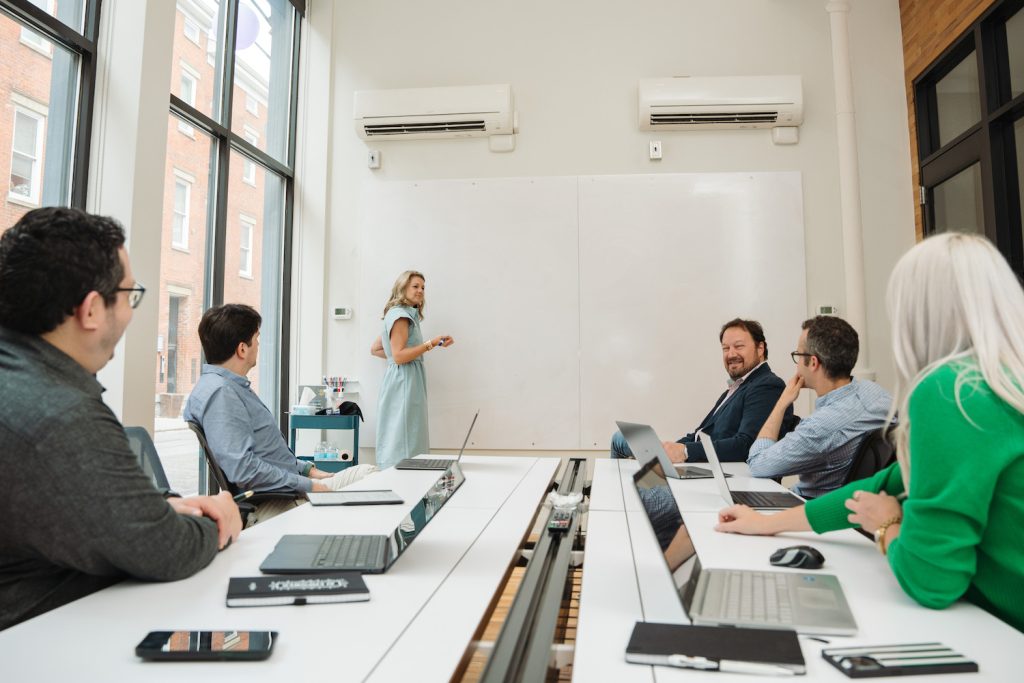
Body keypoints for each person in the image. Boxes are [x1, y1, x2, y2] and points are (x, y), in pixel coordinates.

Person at [717, 233, 1024, 633]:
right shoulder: (1001, 382)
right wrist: (768, 523)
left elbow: (932, 581)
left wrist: (885, 526)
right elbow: (888, 482)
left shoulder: (952, 391)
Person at [0, 207, 241, 631]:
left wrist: (160, 508)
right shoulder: (61, 416)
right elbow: (165, 549)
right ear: (92, 310)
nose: (131, 312)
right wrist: (219, 514)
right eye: (130, 296)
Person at [184, 304, 376, 513]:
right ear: (242, 349)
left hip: (292, 488)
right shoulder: (222, 394)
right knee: (374, 479)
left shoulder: (227, 387)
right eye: (256, 338)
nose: (258, 344)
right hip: (280, 501)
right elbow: (243, 470)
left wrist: (307, 470)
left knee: (371, 475)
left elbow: (267, 454)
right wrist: (309, 486)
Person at [746, 316, 892, 498]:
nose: (797, 363)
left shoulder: (821, 428)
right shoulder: (879, 395)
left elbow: (757, 464)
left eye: (798, 355)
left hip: (810, 511)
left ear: (813, 363)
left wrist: (781, 403)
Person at [611, 318, 791, 463]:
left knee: (627, 454)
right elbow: (699, 434)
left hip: (725, 476)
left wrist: (685, 451)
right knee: (621, 439)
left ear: (761, 348)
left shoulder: (767, 385)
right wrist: (671, 448)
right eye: (725, 348)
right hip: (704, 467)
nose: (731, 354)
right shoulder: (736, 388)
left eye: (739, 346)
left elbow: (746, 444)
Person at [371, 271, 455, 469]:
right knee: (406, 436)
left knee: (398, 433)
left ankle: (397, 479)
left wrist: (403, 356)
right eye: (415, 286)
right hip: (405, 381)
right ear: (403, 288)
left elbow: (377, 349)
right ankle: (405, 483)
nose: (420, 291)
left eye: (423, 287)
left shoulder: (400, 314)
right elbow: (399, 355)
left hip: (400, 379)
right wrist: (431, 344)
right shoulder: (401, 317)